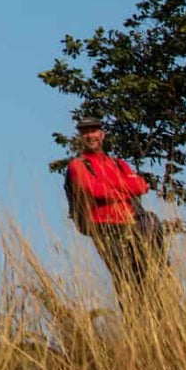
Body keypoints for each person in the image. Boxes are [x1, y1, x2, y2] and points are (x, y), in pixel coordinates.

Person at [64, 116, 159, 302]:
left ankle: (152, 310)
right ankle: (133, 315)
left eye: (93, 131)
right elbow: (94, 190)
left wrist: (113, 188)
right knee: (124, 276)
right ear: (80, 137)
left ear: (102, 134)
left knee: (147, 270)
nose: (90, 135)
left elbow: (141, 185)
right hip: (103, 227)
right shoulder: (77, 165)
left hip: (132, 223)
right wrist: (124, 188)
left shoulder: (118, 163)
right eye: (85, 132)